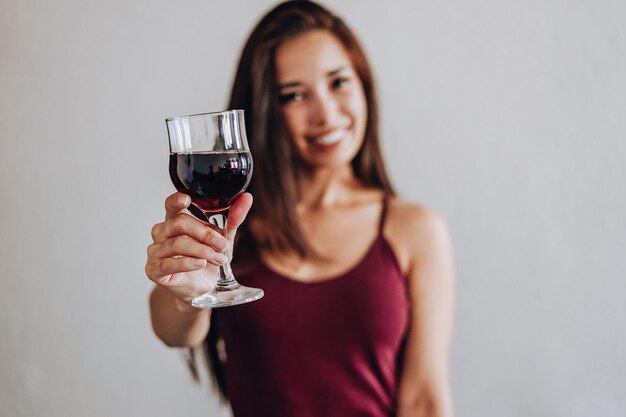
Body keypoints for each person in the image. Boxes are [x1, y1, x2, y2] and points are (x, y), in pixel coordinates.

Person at [146, 1, 455, 416]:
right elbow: (173, 332)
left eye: (339, 82)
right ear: (264, 111)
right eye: (293, 95)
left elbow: (424, 400)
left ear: (364, 84)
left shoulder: (414, 229)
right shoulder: (236, 224)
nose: (325, 113)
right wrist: (186, 297)